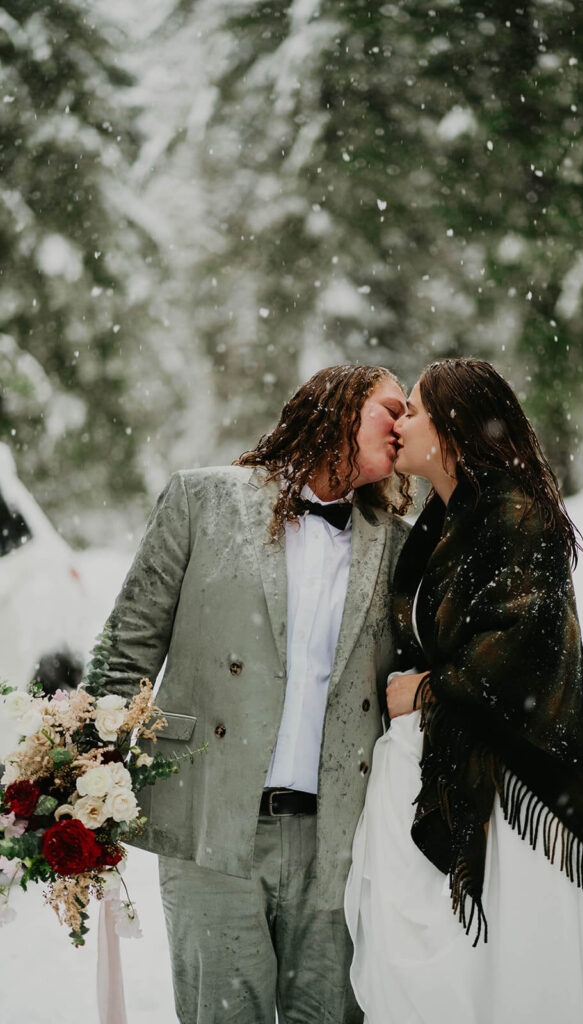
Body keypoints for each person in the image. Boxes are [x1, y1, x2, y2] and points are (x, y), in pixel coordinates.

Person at [345, 357, 583, 1024]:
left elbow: (515, 652)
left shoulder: (517, 514)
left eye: (416, 409)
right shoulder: (443, 518)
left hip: (514, 788)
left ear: (454, 431)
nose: (400, 422)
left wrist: (423, 691)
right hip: (448, 771)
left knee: (508, 981)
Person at [99, 364, 411, 1024]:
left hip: (341, 840)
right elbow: (125, 651)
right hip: (211, 822)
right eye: (392, 407)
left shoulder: (400, 547)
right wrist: (79, 784)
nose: (405, 422)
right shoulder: (200, 501)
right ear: (337, 409)